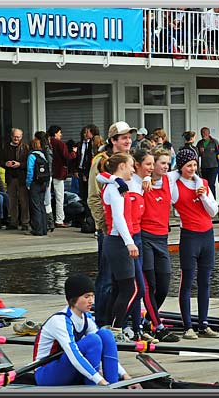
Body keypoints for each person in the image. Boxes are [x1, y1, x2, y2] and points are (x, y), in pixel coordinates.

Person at [34, 274, 140, 387]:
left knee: (106, 334)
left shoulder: (86, 318)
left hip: (67, 368)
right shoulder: (59, 321)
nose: (91, 301)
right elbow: (74, 355)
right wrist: (99, 380)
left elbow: (105, 344)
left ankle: (114, 383)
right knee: (93, 340)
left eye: (92, 296)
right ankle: (94, 387)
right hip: (46, 374)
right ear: (73, 299)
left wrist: (125, 375)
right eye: (86, 297)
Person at [87, 121, 134, 328]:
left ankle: (121, 320)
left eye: (129, 137)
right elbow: (93, 197)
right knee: (106, 279)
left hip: (127, 230)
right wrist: (103, 225)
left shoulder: (128, 161)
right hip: (110, 231)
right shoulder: (101, 161)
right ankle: (102, 321)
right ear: (113, 140)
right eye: (123, 137)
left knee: (122, 282)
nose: (128, 140)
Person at [171, 148, 219, 340]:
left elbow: (213, 211)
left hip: (207, 236)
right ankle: (188, 326)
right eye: (188, 165)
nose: (192, 169)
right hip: (190, 237)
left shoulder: (203, 184)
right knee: (187, 281)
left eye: (194, 165)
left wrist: (204, 196)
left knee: (205, 282)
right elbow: (166, 177)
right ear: (181, 167)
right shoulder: (175, 185)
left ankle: (204, 324)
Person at [140, 148, 180, 342]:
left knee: (164, 284)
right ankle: (158, 326)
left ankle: (147, 319)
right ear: (152, 164)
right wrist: (145, 179)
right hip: (145, 236)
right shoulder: (141, 182)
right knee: (150, 285)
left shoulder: (169, 179)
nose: (166, 166)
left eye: (167, 163)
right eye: (162, 163)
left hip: (162, 238)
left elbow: (187, 171)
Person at [99, 153, 138, 336]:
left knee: (118, 288)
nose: (133, 169)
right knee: (130, 288)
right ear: (121, 166)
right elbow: (118, 218)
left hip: (115, 241)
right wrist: (129, 243)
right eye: (131, 166)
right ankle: (116, 328)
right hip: (118, 241)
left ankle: (109, 327)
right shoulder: (114, 188)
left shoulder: (115, 184)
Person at [48, 125, 77, 228]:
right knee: (59, 197)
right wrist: (74, 153)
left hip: (47, 173)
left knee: (46, 197)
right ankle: (59, 220)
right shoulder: (60, 143)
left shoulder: (47, 142)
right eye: (59, 132)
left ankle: (47, 219)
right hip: (59, 173)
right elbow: (66, 157)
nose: (61, 134)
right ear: (55, 133)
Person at [2, 128, 30, 231]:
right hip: (10, 177)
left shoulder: (25, 147)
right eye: (15, 136)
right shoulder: (6, 147)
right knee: (12, 202)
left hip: (22, 178)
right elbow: (1, 160)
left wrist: (19, 164)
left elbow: (29, 163)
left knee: (24, 201)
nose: (16, 138)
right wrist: (6, 164)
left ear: (21, 137)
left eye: (18, 137)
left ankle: (25, 223)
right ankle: (13, 222)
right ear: (11, 136)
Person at [26, 138, 50, 236]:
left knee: (35, 206)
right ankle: (44, 228)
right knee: (42, 205)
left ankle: (37, 229)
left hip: (35, 183)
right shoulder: (43, 155)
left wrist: (28, 183)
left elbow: (30, 171)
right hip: (43, 183)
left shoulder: (32, 156)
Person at [35, 131, 55, 232]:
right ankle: (49, 223)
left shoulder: (46, 149)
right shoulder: (47, 148)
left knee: (46, 200)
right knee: (46, 200)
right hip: (46, 177)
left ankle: (49, 222)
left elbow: (49, 164)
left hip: (46, 177)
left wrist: (47, 180)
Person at [196, 127, 219, 198]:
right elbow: (197, 155)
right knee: (205, 184)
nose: (203, 134)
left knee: (211, 184)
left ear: (208, 133)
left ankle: (213, 200)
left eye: (204, 132)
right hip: (204, 167)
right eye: (202, 133)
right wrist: (200, 152)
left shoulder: (214, 142)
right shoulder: (200, 143)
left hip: (213, 166)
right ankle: (206, 199)